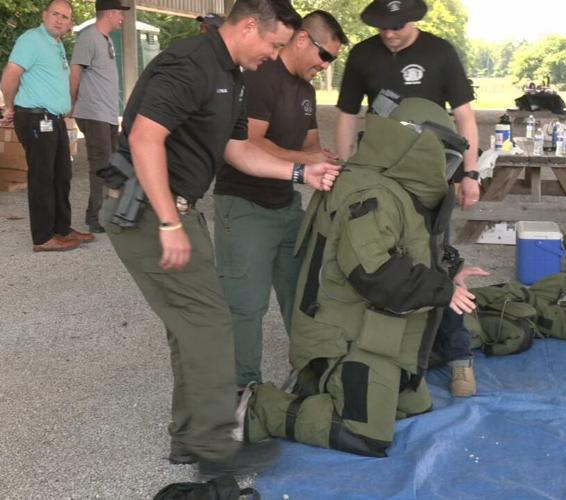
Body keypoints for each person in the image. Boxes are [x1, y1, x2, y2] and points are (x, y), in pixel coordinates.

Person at [97, 0, 339, 477]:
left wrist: (299, 172)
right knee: (210, 322)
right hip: (147, 210)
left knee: (190, 326)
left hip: (172, 209)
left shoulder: (235, 78)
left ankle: (190, 439)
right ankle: (215, 451)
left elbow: (241, 151)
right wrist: (169, 222)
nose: (275, 55)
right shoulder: (190, 63)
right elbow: (145, 137)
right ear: (249, 26)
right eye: (272, 44)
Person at [242, 97, 488, 457]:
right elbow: (376, 275)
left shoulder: (395, 186)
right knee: (366, 435)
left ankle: (336, 392)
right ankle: (261, 404)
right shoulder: (370, 192)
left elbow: (411, 251)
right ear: (412, 144)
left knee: (415, 408)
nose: (445, 169)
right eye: (442, 155)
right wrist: (442, 290)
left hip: (379, 331)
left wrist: (450, 272)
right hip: (343, 338)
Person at [334, 0, 482, 396]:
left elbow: (465, 116)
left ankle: (459, 360)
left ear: (413, 18)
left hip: (429, 181)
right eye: (382, 27)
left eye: (397, 25)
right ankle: (379, 355)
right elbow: (348, 115)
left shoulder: (440, 52)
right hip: (380, 178)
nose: (389, 33)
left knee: (437, 263)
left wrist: (470, 172)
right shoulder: (363, 55)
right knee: (378, 263)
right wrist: (347, 170)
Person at [213, 10, 347, 389]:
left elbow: (310, 145)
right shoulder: (260, 76)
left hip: (287, 205)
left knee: (302, 294)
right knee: (246, 304)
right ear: (303, 39)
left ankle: (308, 370)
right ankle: (244, 389)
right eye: (326, 56)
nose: (326, 66)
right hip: (245, 206)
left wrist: (330, 161)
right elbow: (249, 143)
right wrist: (309, 162)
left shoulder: (305, 88)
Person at [0, 0, 94, 252]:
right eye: (55, 14)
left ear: (70, 23)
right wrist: (10, 107)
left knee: (62, 175)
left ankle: (61, 228)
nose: (59, 20)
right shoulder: (31, 39)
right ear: (44, 15)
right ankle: (43, 238)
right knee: (43, 177)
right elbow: (10, 74)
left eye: (65, 17)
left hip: (54, 118)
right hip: (35, 117)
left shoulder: (56, 44)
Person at [70, 0, 128, 234]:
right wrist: (71, 103)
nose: (122, 18)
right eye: (120, 14)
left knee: (110, 164)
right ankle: (95, 217)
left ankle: (103, 212)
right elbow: (75, 71)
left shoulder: (105, 40)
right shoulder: (88, 37)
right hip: (93, 113)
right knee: (100, 165)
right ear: (110, 13)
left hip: (108, 114)